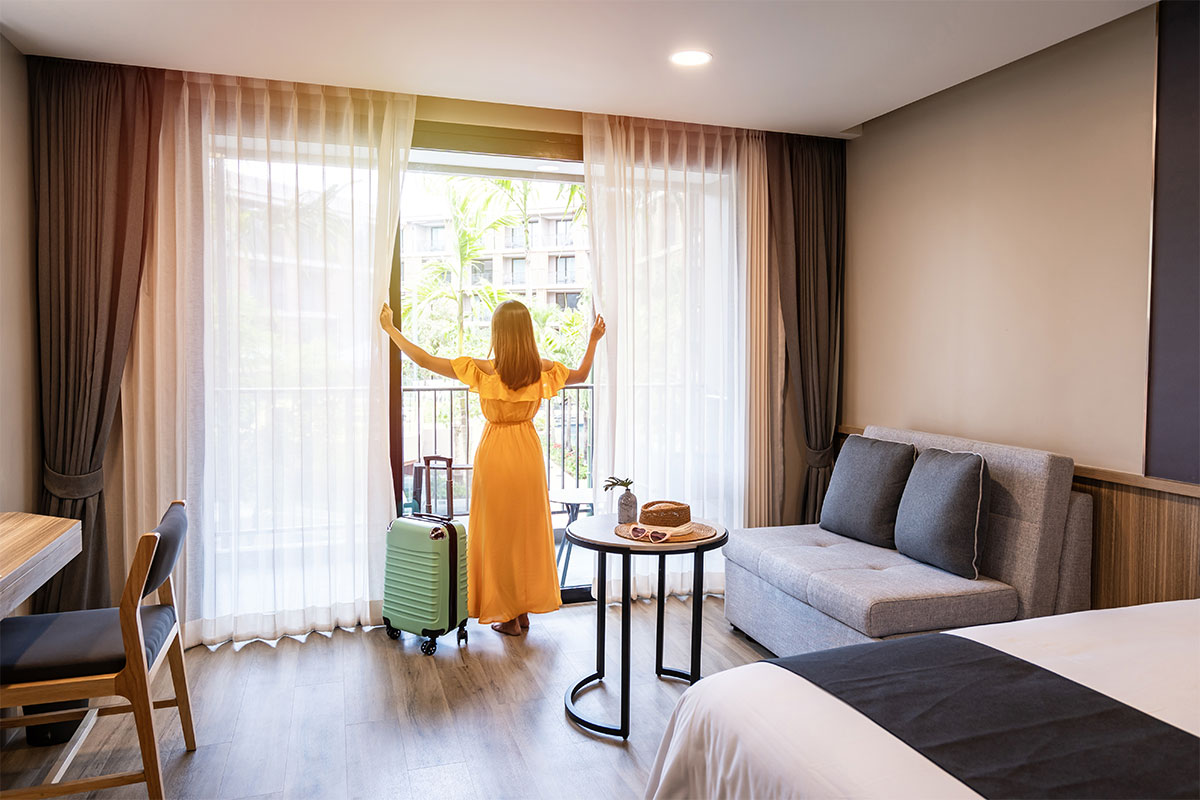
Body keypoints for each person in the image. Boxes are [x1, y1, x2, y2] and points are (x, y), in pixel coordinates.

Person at [380, 299, 606, 636]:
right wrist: (593, 339)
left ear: (498, 334)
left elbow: (425, 359)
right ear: (526, 333)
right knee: (525, 535)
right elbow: (582, 374)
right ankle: (523, 611)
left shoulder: (484, 370)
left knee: (499, 537)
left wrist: (390, 329)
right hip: (528, 454)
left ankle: (509, 616)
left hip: (497, 454)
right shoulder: (541, 369)